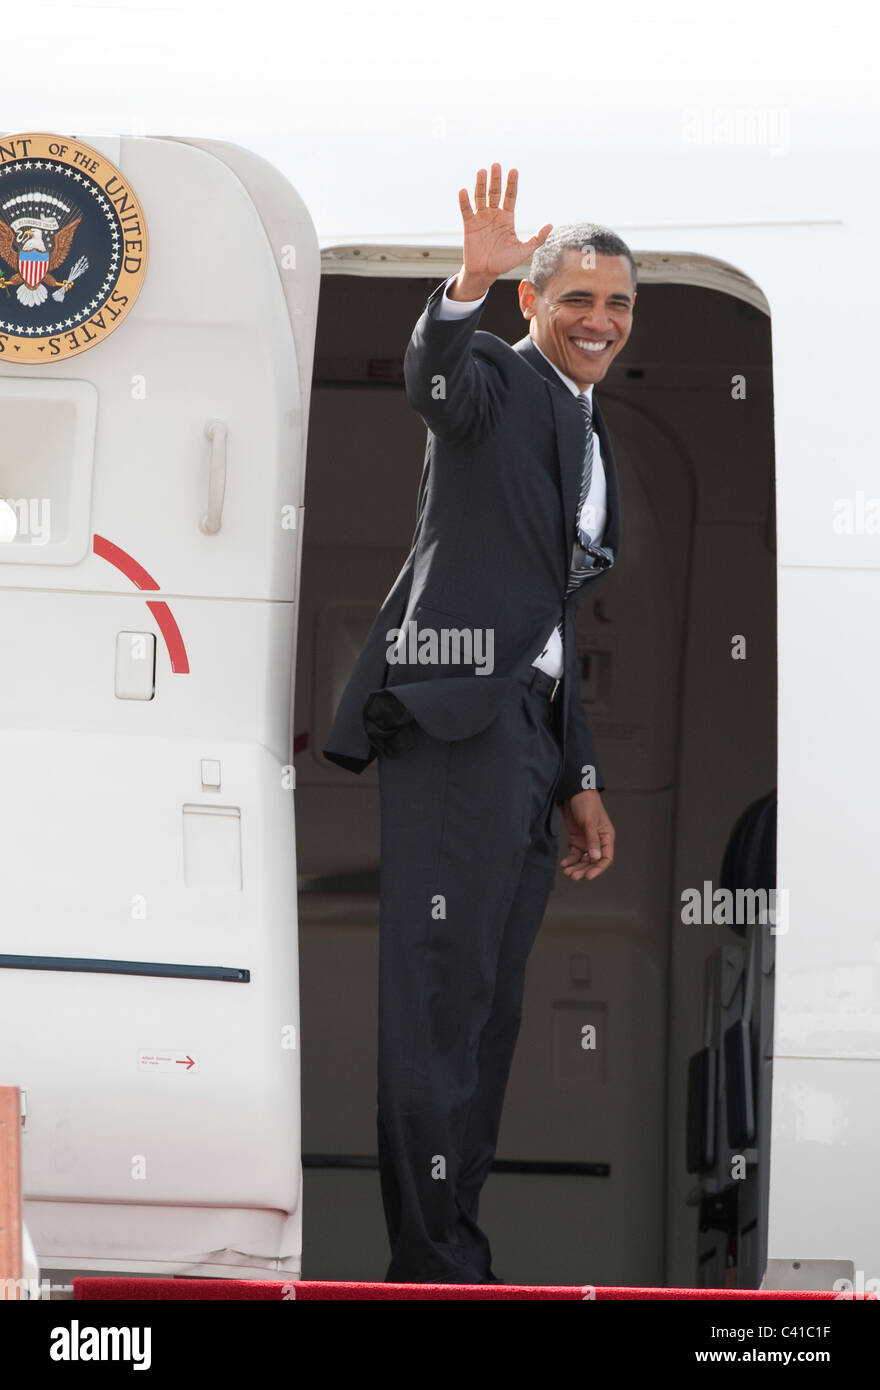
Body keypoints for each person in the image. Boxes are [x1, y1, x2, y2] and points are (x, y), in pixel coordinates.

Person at [323, 163, 636, 1282]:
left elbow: (545, 621)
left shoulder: (592, 432)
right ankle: (432, 1261)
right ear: (531, 305)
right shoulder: (498, 379)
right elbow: (433, 382)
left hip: (525, 737)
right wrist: (466, 278)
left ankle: (452, 1248)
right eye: (575, 300)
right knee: (439, 1004)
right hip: (458, 726)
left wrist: (575, 772)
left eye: (616, 303)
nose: (597, 320)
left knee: (487, 1015)